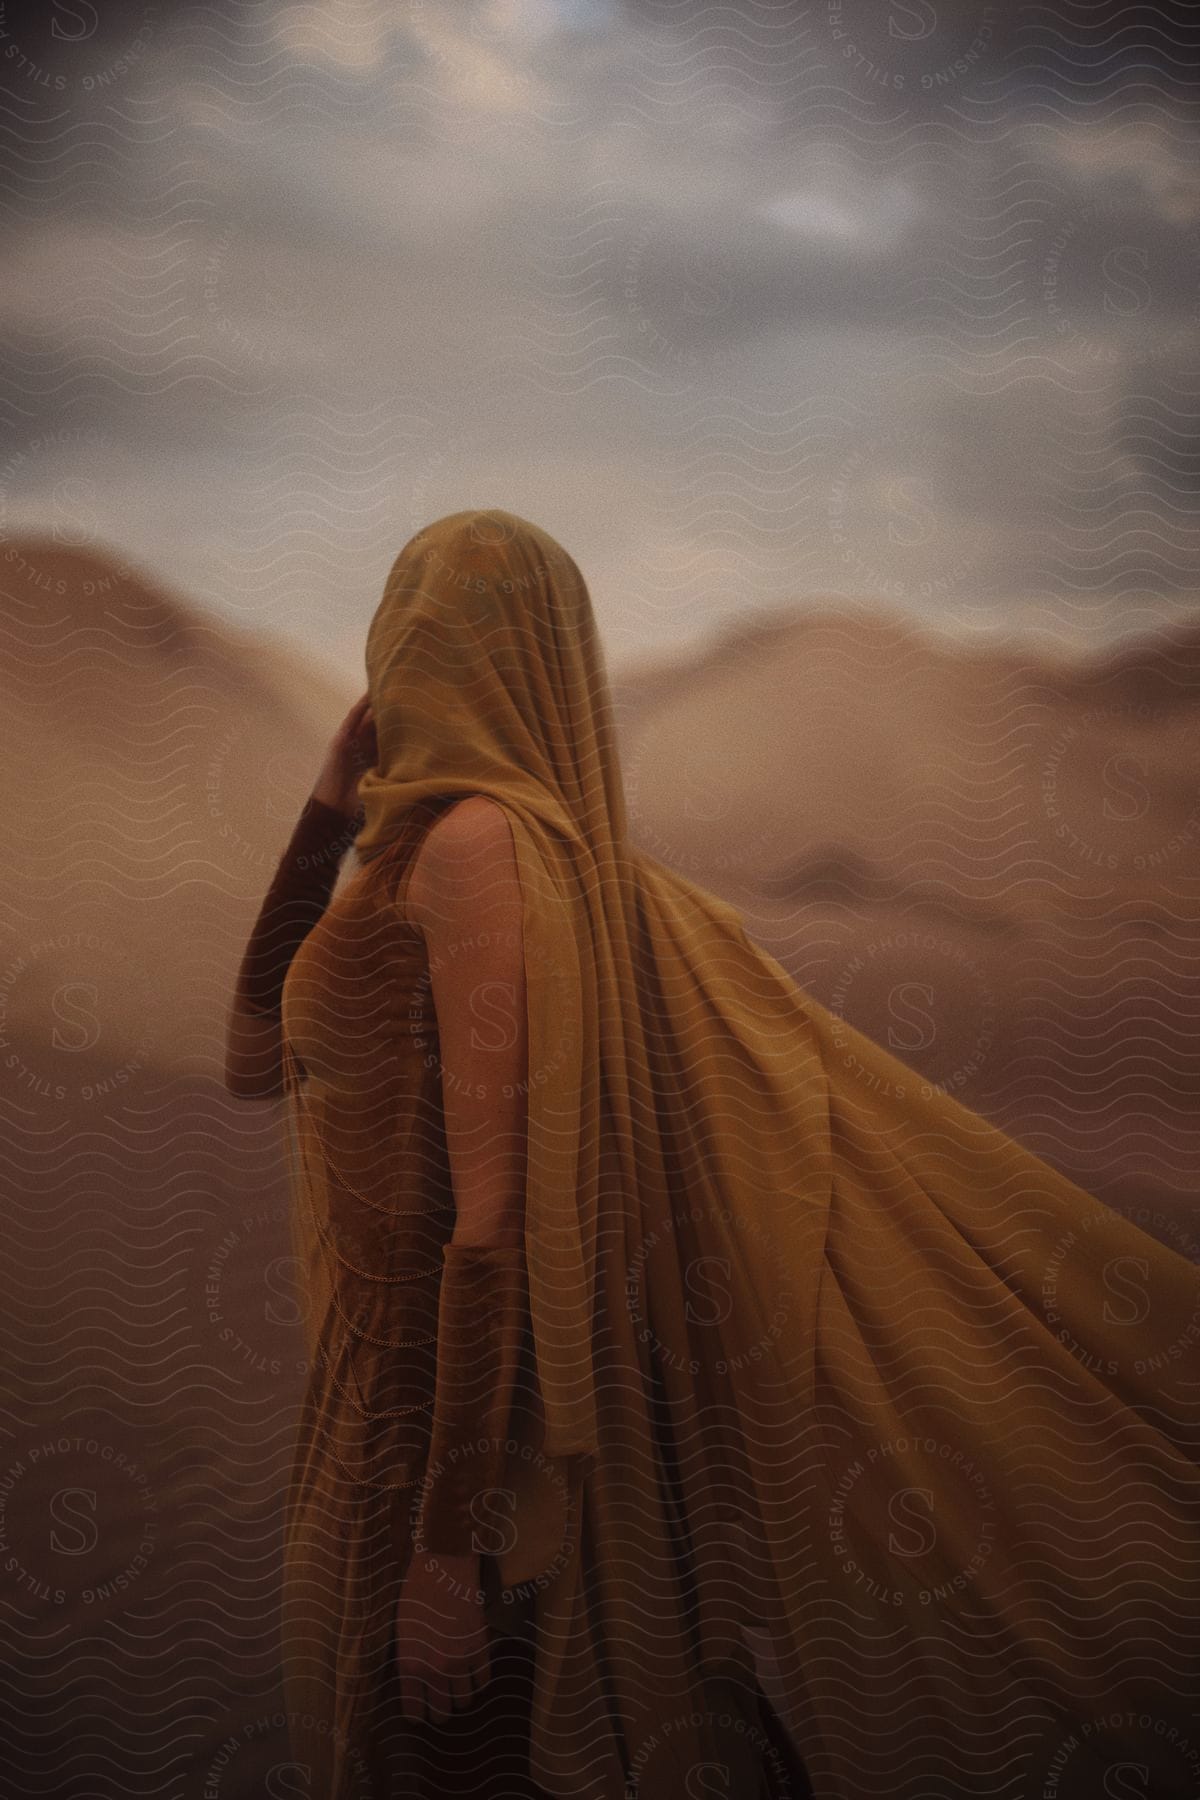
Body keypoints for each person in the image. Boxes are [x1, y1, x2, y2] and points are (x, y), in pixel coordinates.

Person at [226, 508, 1200, 1800]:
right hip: (364, 1436)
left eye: (430, 618)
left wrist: (446, 1557)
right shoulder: (402, 852)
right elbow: (250, 1054)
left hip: (442, 1467)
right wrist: (327, 805)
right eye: (399, 610)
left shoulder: (480, 855)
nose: (404, 643)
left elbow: (492, 1226)